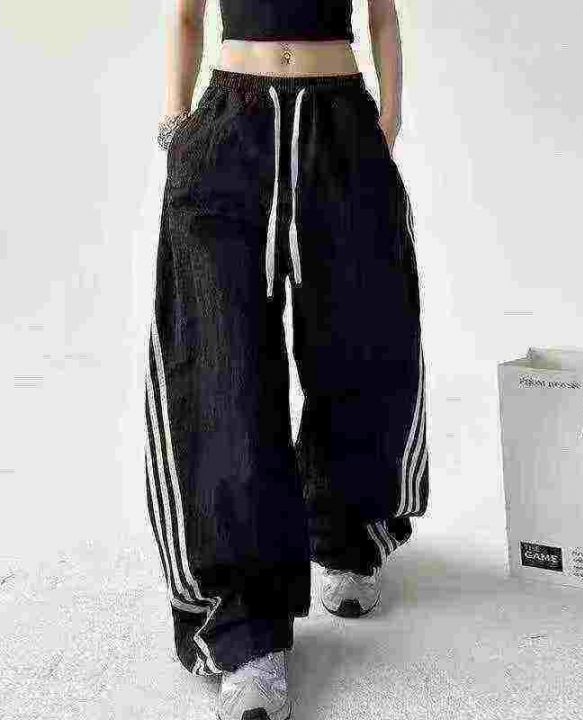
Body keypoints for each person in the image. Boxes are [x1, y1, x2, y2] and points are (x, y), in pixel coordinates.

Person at [144, 0, 429, 717]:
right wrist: (176, 124)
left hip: (340, 123)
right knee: (223, 372)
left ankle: (344, 536)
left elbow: (383, 16)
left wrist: (390, 117)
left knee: (363, 347)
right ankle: (248, 631)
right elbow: (186, 16)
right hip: (229, 131)